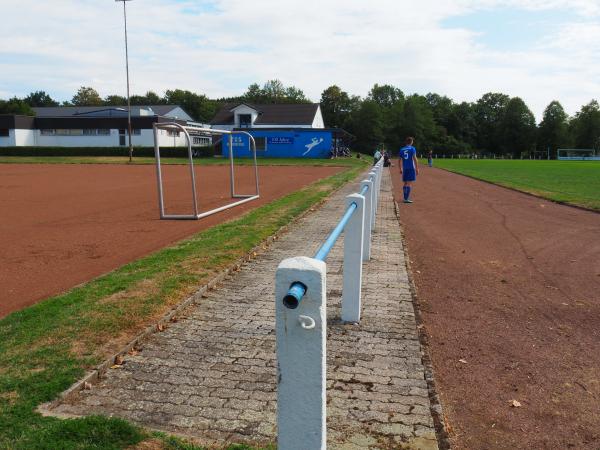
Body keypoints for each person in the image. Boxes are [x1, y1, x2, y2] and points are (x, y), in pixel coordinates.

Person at [399, 137, 419, 203]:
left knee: (405, 183)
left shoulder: (402, 149)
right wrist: (417, 168)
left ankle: (405, 197)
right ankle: (406, 199)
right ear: (411, 142)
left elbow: (399, 160)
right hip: (411, 168)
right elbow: (415, 159)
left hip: (405, 168)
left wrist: (400, 168)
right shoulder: (412, 148)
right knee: (409, 183)